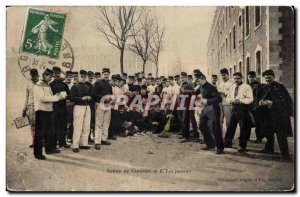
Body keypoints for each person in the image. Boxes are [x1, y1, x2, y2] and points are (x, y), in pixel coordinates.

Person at [258, 69, 293, 161]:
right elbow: (259, 98)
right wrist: (261, 102)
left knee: (281, 135)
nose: (268, 80)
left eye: (269, 78)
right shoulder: (264, 87)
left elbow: (287, 101)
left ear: (273, 77)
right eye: (266, 79)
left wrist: (272, 103)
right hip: (267, 115)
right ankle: (269, 149)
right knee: (268, 134)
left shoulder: (280, 87)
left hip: (279, 116)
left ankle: (285, 156)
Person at [33, 68, 65, 160]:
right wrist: (57, 98)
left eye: (51, 77)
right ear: (44, 75)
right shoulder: (38, 85)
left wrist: (56, 95)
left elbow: (49, 96)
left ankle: (49, 149)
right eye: (49, 76)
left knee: (49, 132)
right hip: (41, 111)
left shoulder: (46, 85)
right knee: (40, 133)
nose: (51, 78)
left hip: (48, 110)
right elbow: (43, 98)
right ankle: (38, 154)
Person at [224, 72, 253, 153]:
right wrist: (231, 101)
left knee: (243, 127)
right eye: (235, 78)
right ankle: (227, 142)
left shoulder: (247, 87)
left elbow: (250, 99)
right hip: (234, 108)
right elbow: (228, 98)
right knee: (230, 126)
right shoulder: (232, 87)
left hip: (243, 108)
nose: (236, 80)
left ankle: (242, 145)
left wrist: (240, 100)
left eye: (238, 78)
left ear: (242, 78)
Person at [195, 72, 223, 154]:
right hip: (206, 109)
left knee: (215, 127)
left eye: (199, 81)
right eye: (197, 82)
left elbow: (219, 99)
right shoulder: (200, 86)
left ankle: (219, 147)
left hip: (214, 109)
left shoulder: (212, 87)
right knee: (202, 125)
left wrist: (207, 101)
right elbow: (194, 92)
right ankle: (210, 144)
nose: (198, 83)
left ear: (203, 79)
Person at [70, 70, 92, 153]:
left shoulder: (88, 87)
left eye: (84, 77)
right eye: (82, 76)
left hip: (87, 107)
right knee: (77, 126)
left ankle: (84, 143)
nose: (83, 78)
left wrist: (89, 98)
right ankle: (75, 145)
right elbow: (71, 98)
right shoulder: (74, 87)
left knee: (86, 126)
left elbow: (91, 96)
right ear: (78, 77)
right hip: (78, 107)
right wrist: (81, 98)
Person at [92, 68, 113, 150]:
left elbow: (111, 94)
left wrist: (110, 98)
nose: (106, 76)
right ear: (102, 74)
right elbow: (94, 95)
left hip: (108, 105)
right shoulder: (97, 83)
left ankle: (104, 139)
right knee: (99, 123)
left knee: (106, 122)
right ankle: (97, 142)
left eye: (107, 74)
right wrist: (104, 98)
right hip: (100, 104)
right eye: (105, 74)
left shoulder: (109, 84)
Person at [50, 66, 70, 149]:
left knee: (63, 125)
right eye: (55, 73)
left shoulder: (64, 84)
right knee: (54, 126)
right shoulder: (50, 85)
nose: (56, 75)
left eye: (58, 73)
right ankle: (54, 144)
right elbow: (48, 96)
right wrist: (56, 96)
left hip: (63, 107)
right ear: (53, 74)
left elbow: (68, 96)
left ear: (60, 73)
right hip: (54, 107)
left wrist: (65, 96)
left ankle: (62, 142)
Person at [22, 68, 39, 148]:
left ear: (37, 75)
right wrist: (24, 109)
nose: (33, 77)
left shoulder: (41, 83)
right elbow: (26, 97)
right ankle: (34, 142)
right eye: (32, 76)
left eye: (35, 75)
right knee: (32, 125)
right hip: (30, 107)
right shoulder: (28, 84)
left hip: (39, 106)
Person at [247, 71, 263, 143]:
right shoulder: (246, 85)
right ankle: (247, 137)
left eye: (252, 77)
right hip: (247, 106)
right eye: (249, 77)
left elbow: (259, 97)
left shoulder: (259, 85)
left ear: (255, 77)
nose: (250, 79)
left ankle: (259, 138)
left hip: (255, 107)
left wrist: (257, 105)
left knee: (258, 123)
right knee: (247, 122)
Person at [218, 68, 234, 134]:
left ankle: (228, 138)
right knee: (219, 120)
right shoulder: (220, 83)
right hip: (220, 104)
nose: (223, 77)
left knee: (228, 121)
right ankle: (220, 136)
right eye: (221, 75)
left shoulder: (232, 83)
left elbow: (232, 93)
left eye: (224, 75)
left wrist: (223, 92)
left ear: (228, 74)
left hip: (228, 104)